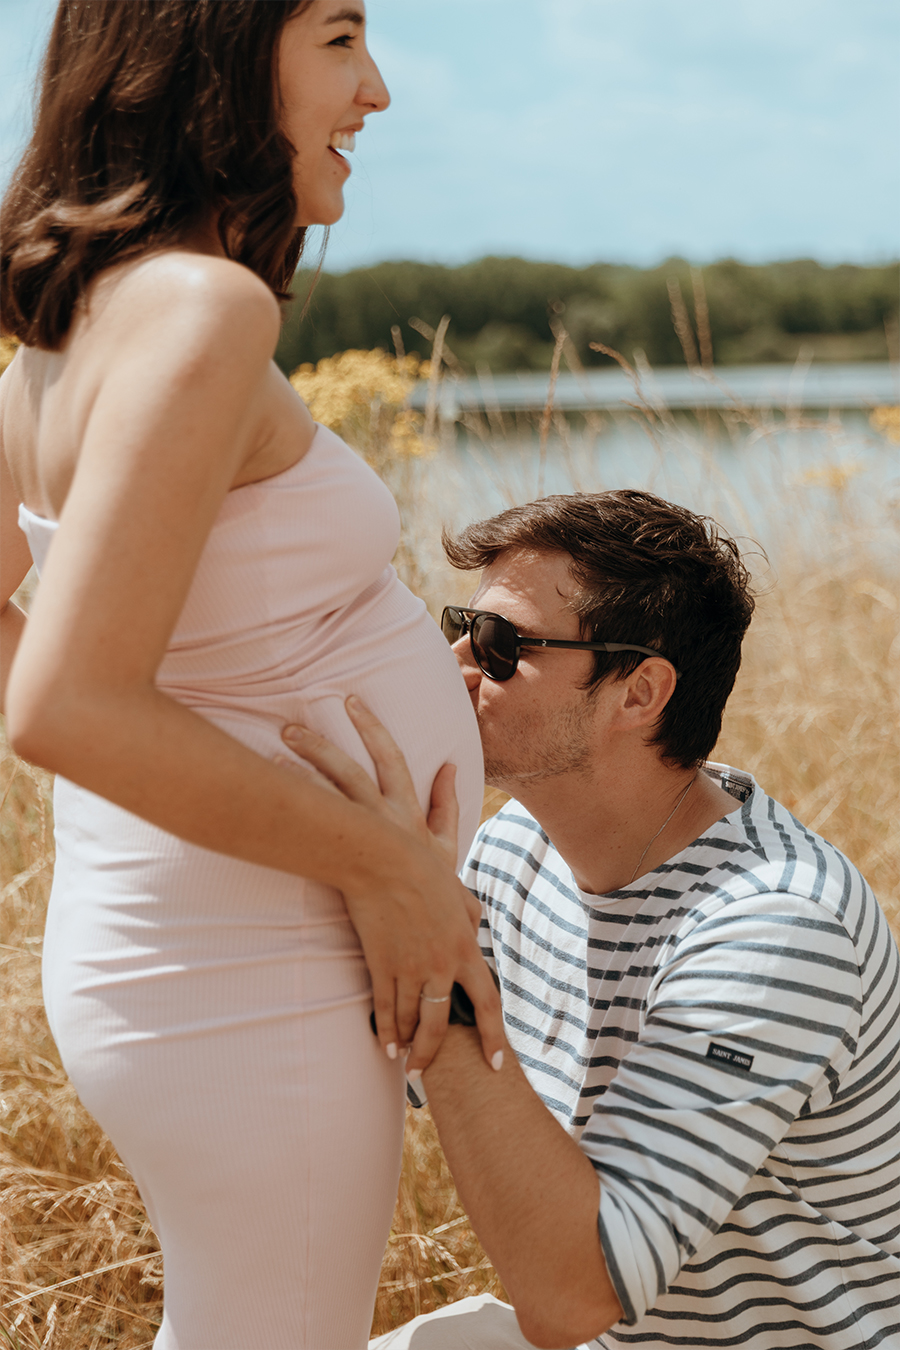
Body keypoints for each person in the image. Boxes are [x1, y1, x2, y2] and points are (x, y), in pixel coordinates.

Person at [0, 4, 504, 1347]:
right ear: (210, 52)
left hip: (208, 948)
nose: (377, 90)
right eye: (340, 39)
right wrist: (384, 864)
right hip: (251, 966)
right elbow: (62, 702)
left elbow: (33, 649)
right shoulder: (199, 307)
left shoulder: (71, 334)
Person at [284, 490, 900, 1350]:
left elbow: (575, 1294)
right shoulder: (514, 849)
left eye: (501, 646)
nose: (455, 659)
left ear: (640, 692)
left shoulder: (775, 928)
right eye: (459, 626)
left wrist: (433, 936)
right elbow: (398, 1059)